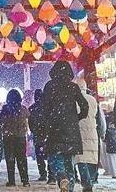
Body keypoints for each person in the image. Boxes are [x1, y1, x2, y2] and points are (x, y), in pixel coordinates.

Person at [42, 61, 88, 192]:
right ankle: (69, 187)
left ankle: (61, 176)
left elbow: (44, 108)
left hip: (54, 128)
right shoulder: (73, 87)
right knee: (69, 162)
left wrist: (46, 123)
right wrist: (76, 118)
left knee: (55, 158)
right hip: (71, 129)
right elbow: (84, 106)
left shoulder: (49, 86)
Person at [0, 89, 30, 187]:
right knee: (22, 158)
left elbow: (0, 120)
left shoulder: (5, 109)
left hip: (8, 137)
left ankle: (11, 181)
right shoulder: (23, 109)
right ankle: (25, 180)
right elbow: (28, 116)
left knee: (10, 159)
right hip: (20, 136)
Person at [74, 79, 99, 192]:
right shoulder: (92, 100)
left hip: (79, 131)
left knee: (81, 158)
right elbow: (97, 116)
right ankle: (91, 180)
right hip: (92, 131)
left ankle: (86, 182)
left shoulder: (74, 100)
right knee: (92, 157)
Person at [29, 89, 50, 183]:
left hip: (37, 134)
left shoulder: (32, 108)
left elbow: (30, 123)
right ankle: (51, 175)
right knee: (49, 154)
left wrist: (33, 131)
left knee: (39, 155)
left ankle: (42, 174)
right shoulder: (48, 107)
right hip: (48, 134)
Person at [103, 112, 116, 179]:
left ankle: (114, 174)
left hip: (110, 143)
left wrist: (105, 139)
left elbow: (104, 130)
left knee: (112, 160)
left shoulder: (107, 119)